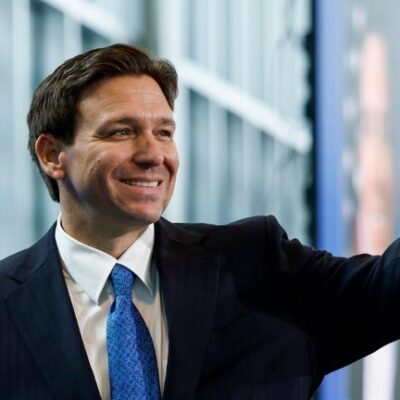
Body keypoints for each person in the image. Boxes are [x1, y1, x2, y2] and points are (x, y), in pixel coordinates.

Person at [1, 44, 400, 400]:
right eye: (121, 132)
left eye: (164, 132)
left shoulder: (258, 265)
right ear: (52, 155)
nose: (153, 154)